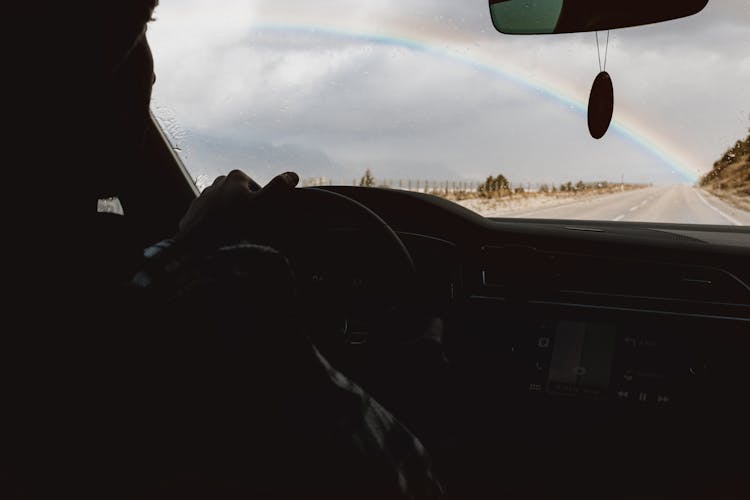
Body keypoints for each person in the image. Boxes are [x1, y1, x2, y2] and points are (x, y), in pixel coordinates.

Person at [7, 1, 444, 498]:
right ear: (59, 65)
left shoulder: (70, 283)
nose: (150, 68)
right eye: (133, 35)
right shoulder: (204, 307)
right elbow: (407, 482)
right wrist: (412, 382)